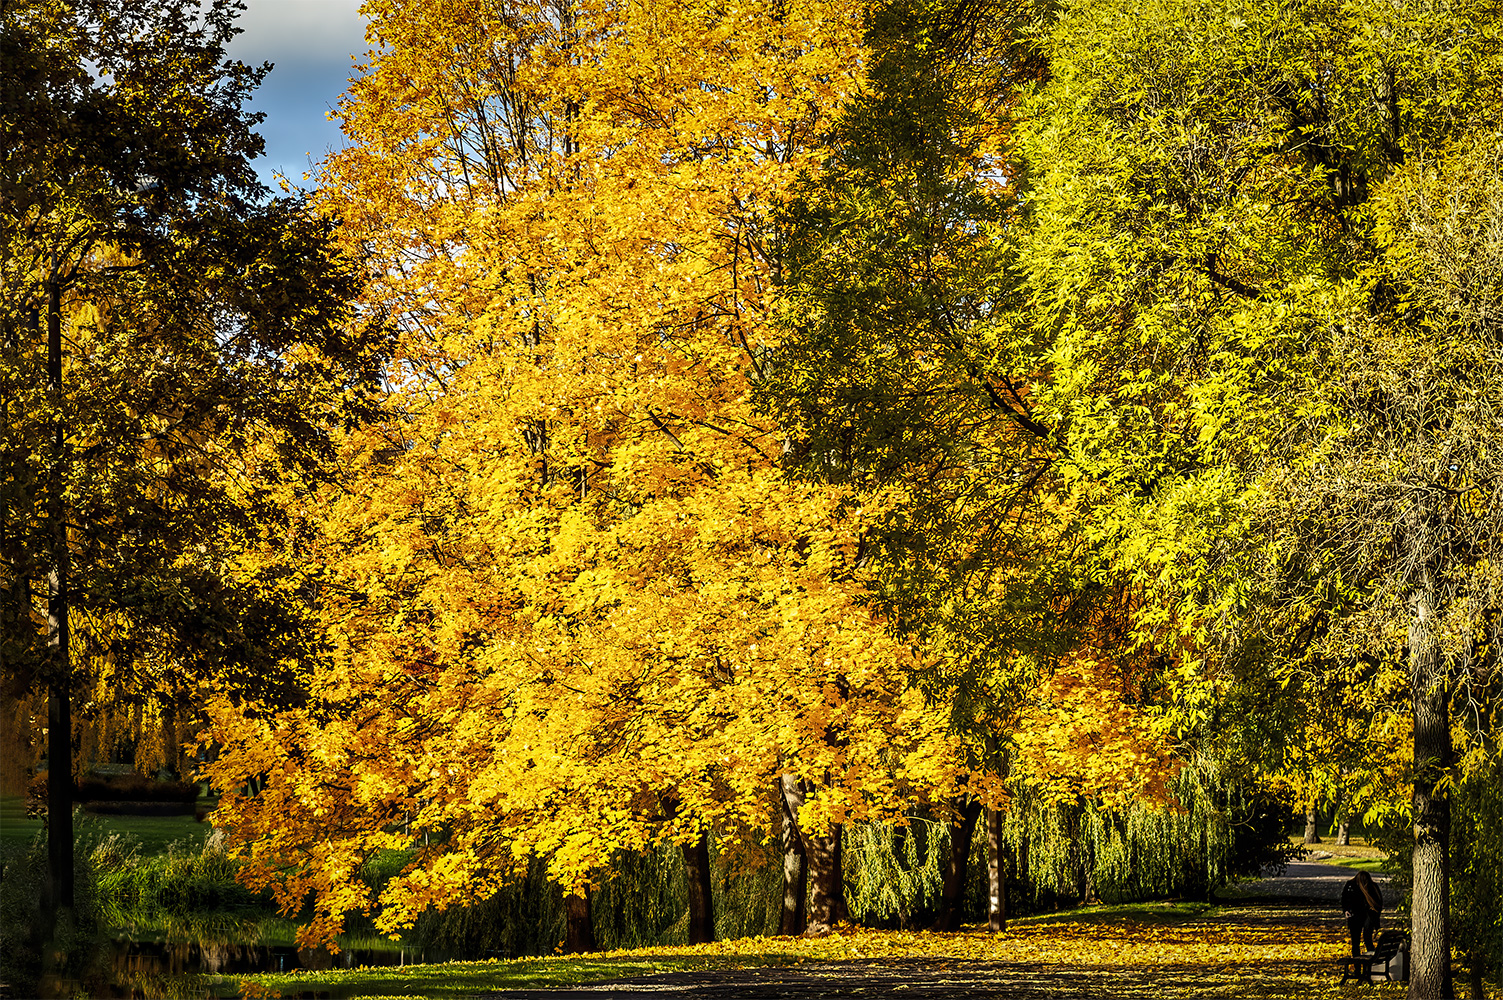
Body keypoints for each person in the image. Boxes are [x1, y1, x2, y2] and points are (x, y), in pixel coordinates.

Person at [1341, 870, 1383, 956]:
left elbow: (1345, 899)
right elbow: (1379, 903)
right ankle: (1369, 963)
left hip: (1357, 916)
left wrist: (1346, 910)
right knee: (1366, 939)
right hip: (1365, 916)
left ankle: (1358, 966)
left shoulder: (1351, 886)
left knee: (1356, 942)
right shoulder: (1372, 886)